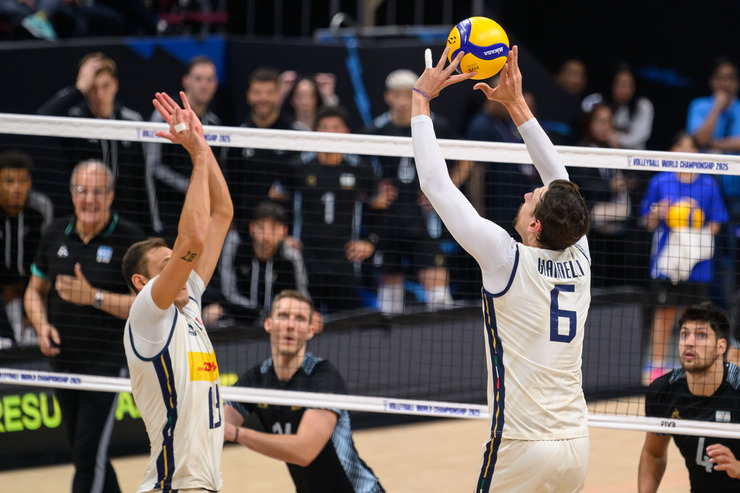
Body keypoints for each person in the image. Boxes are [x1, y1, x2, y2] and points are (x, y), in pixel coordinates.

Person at [411, 46, 591, 491]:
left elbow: (435, 185)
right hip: (576, 444)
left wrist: (421, 99)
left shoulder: (505, 257)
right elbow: (558, 179)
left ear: (534, 225)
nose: (529, 192)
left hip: (522, 443)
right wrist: (516, 104)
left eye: (534, 197)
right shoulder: (580, 254)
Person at [121, 90, 233, 492]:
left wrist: (201, 144)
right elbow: (193, 240)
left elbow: (222, 214)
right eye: (169, 266)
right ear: (142, 283)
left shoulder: (190, 303)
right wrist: (197, 157)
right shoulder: (148, 314)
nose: (182, 271)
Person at [24, 158, 145, 493]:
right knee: (85, 452)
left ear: (111, 196)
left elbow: (146, 306)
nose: (89, 199)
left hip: (106, 366)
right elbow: (34, 291)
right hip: (62, 362)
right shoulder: (54, 233)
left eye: (97, 192)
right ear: (71, 193)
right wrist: (41, 326)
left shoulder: (130, 241)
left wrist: (94, 297)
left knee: (88, 455)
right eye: (82, 190)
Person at [223, 289, 384, 493]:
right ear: (268, 324)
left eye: (299, 319)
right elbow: (219, 426)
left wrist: (238, 434)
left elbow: (305, 451)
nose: (290, 325)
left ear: (310, 330)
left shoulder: (323, 377)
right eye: (283, 316)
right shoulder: (256, 378)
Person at [363, 68, 466, 314]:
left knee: (439, 298)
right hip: (388, 220)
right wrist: (374, 191)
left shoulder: (436, 125)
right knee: (389, 301)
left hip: (425, 219)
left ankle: (442, 334)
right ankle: (388, 335)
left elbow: (467, 159)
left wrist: (446, 189)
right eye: (396, 95)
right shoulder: (375, 130)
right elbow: (358, 168)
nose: (402, 101)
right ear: (387, 96)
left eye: (407, 94)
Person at [639, 132, 728, 383]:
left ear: (697, 153)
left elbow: (716, 224)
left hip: (697, 262)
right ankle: (657, 367)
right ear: (673, 149)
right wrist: (659, 210)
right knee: (664, 312)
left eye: (691, 147)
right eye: (681, 146)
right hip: (667, 261)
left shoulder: (708, 184)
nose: (686, 151)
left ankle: (693, 367)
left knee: (695, 317)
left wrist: (694, 223)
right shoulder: (660, 181)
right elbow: (648, 221)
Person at [37, 52, 149, 231]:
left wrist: (149, 227)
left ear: (115, 85)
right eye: (93, 88)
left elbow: (143, 178)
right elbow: (41, 121)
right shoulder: (75, 119)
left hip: (126, 218)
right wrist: (79, 88)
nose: (100, 94)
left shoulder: (132, 121)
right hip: (85, 215)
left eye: (105, 86)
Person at [284, 106, 379, 313]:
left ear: (346, 131)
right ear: (315, 131)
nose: (330, 132)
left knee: (344, 326)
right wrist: (286, 235)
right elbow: (277, 198)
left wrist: (369, 242)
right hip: (306, 257)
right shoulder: (299, 165)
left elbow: (378, 207)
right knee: (306, 318)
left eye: (336, 127)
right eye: (324, 127)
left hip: (345, 259)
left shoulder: (359, 167)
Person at [638, 301, 740, 491]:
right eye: (685, 334)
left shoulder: (737, 388)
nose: (690, 342)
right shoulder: (663, 391)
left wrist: (739, 468)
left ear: (721, 347)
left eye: (701, 335)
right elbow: (653, 454)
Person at [145, 55, 224, 243]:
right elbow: (153, 166)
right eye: (198, 78)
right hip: (168, 214)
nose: (204, 85)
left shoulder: (214, 123)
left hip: (201, 215)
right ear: (186, 81)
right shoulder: (167, 115)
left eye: (209, 79)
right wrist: (190, 186)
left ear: (215, 84)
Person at [203, 199, 309, 329]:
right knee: (210, 314)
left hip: (277, 318)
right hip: (238, 311)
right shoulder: (235, 245)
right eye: (261, 228)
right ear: (252, 228)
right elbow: (228, 292)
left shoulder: (291, 256)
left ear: (284, 231)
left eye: (274, 228)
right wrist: (259, 312)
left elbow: (302, 296)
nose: (267, 236)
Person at [571, 103, 635, 287]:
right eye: (599, 121)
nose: (604, 126)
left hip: (618, 220)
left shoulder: (614, 149)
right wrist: (609, 187)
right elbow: (581, 184)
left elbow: (631, 176)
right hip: (591, 216)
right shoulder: (582, 150)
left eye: (607, 122)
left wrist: (617, 149)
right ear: (590, 123)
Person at [226, 67, 296, 226]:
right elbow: (230, 183)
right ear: (249, 95)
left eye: (269, 92)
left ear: (278, 94)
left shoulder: (294, 135)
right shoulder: (237, 137)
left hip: (285, 229)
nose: (263, 98)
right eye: (257, 92)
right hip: (244, 226)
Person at [0, 150, 53, 347]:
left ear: (30, 183)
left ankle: (31, 332)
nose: (17, 188)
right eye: (9, 181)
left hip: (29, 285)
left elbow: (45, 258)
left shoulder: (41, 208)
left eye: (22, 181)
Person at [581, 63, 654, 150]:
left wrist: (617, 138)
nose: (623, 90)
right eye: (619, 84)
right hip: (599, 148)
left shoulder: (643, 105)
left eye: (627, 85)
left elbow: (641, 135)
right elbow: (586, 109)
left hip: (633, 152)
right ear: (611, 84)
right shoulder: (598, 100)